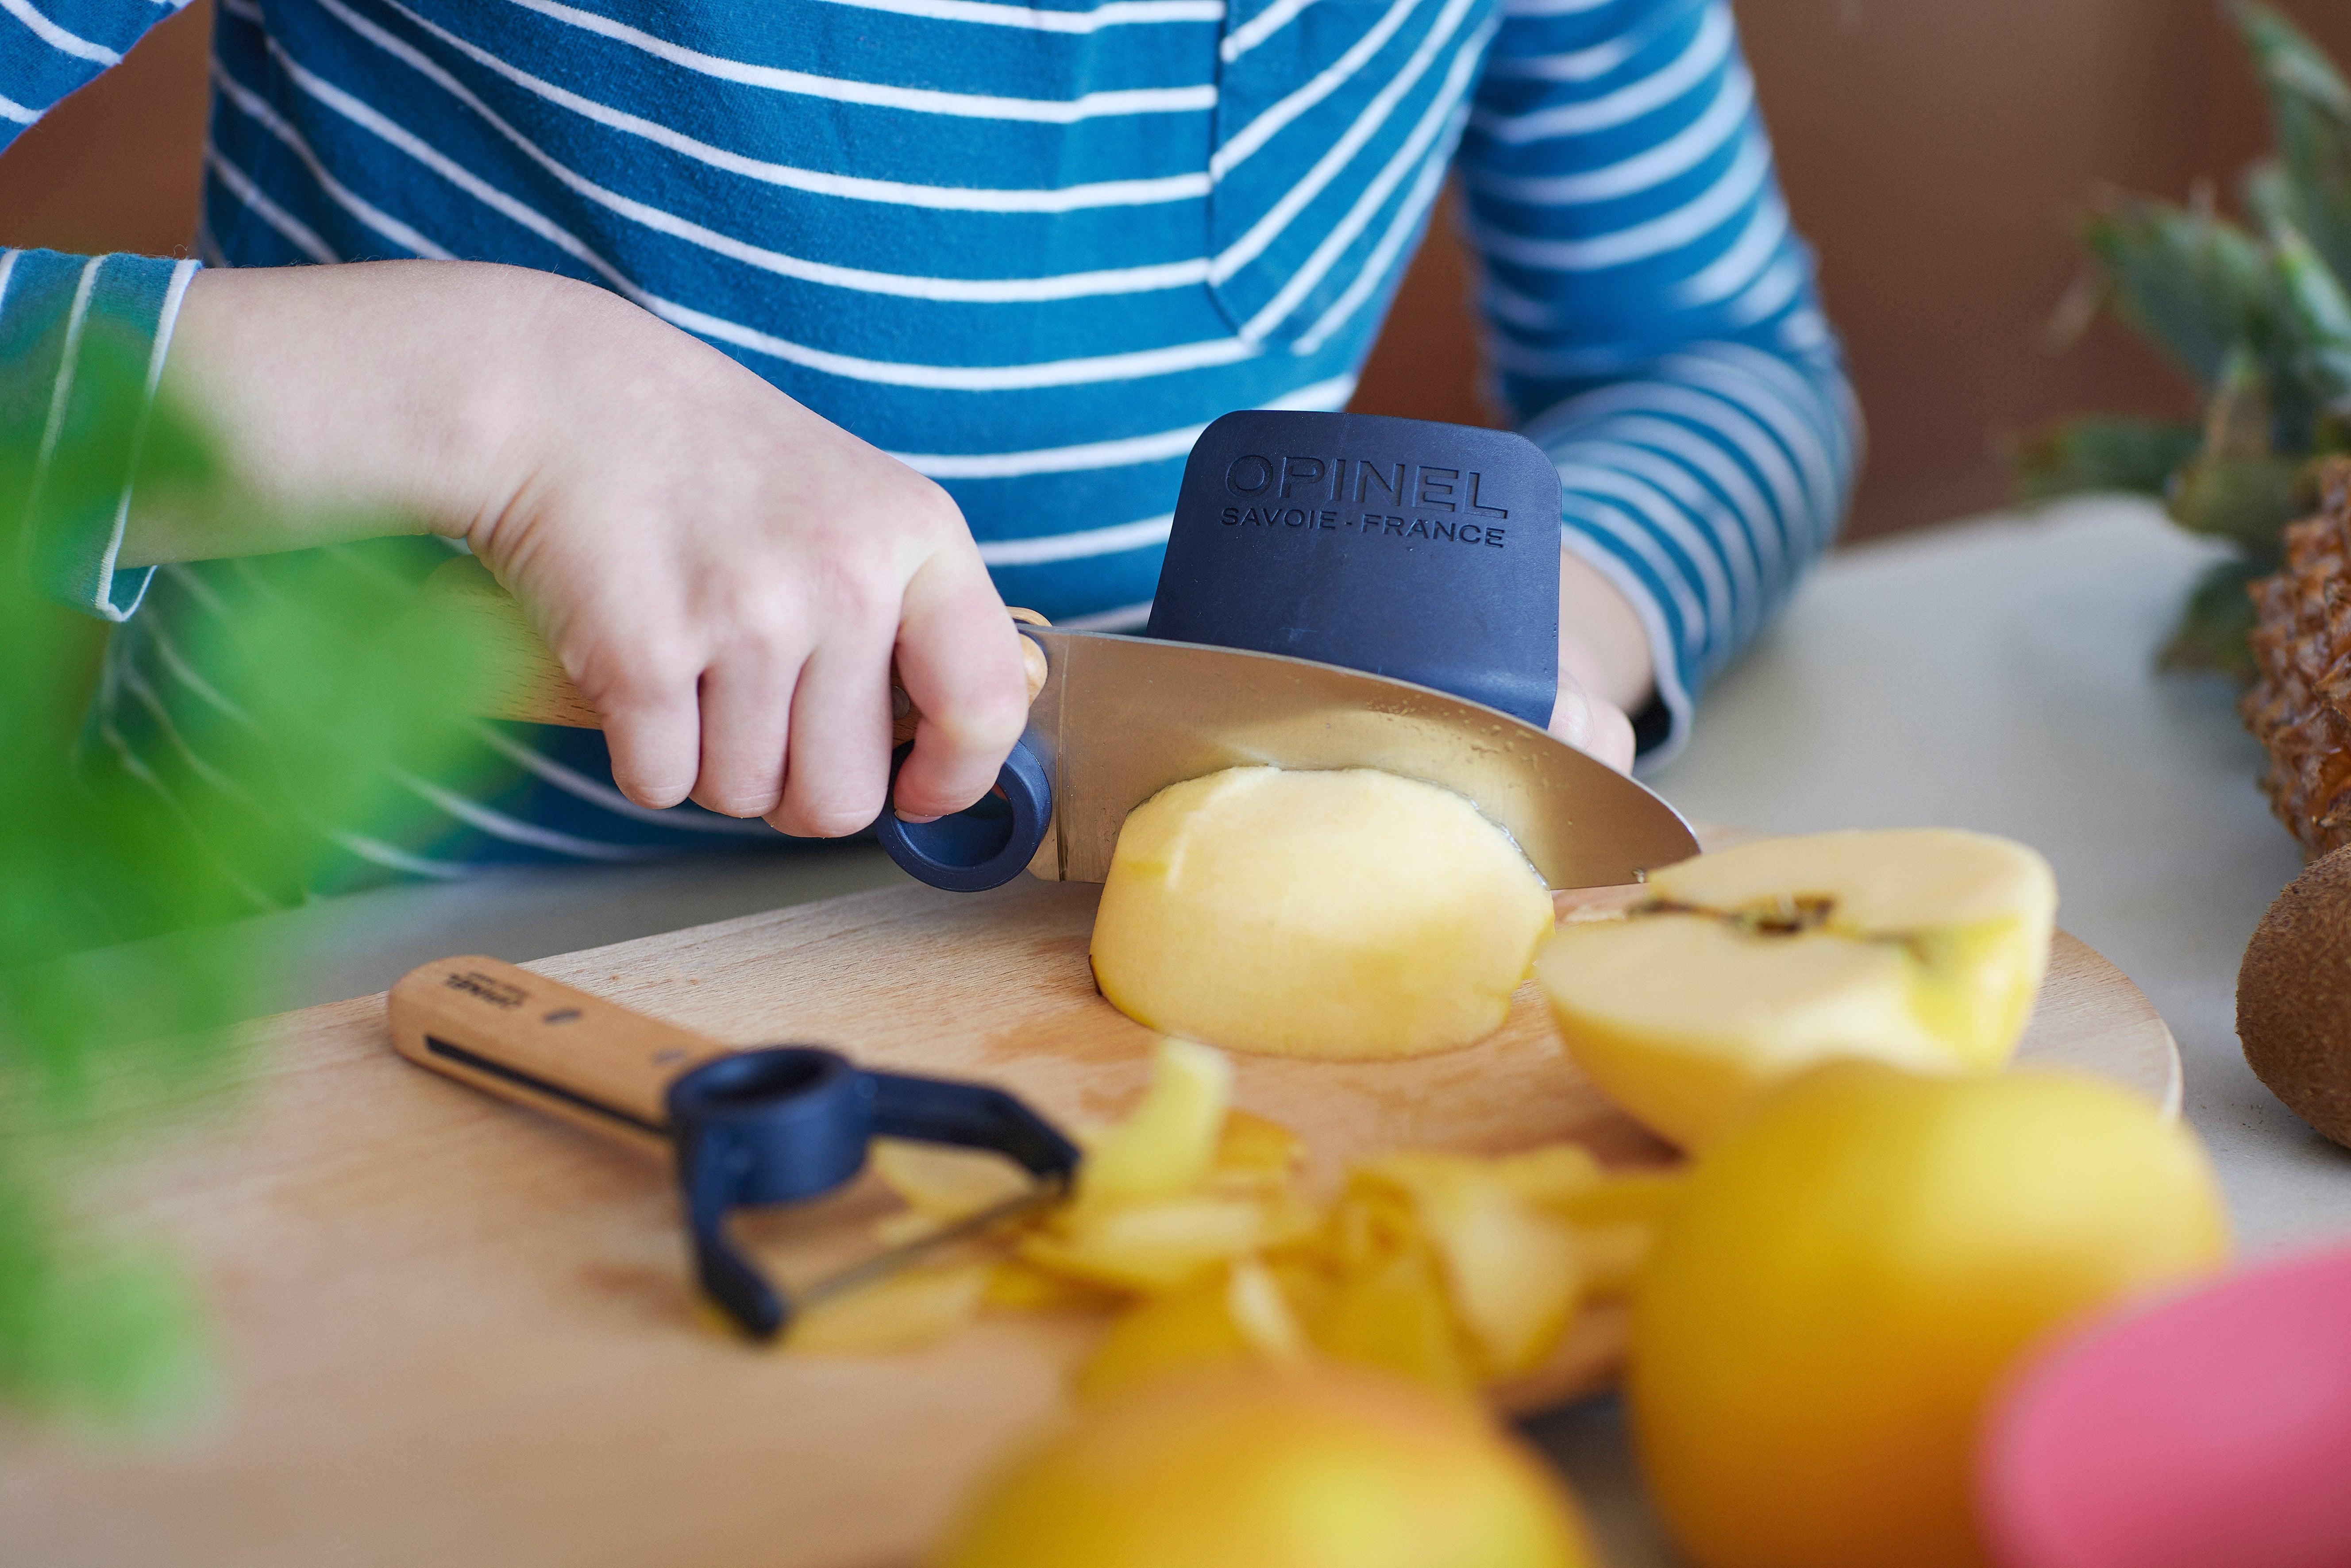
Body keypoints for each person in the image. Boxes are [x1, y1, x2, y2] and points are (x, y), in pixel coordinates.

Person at [2, 0, 1856, 899]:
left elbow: (1717, 358)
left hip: (1037, 992)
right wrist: (483, 398)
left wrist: (1545, 615)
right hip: (260, 978)